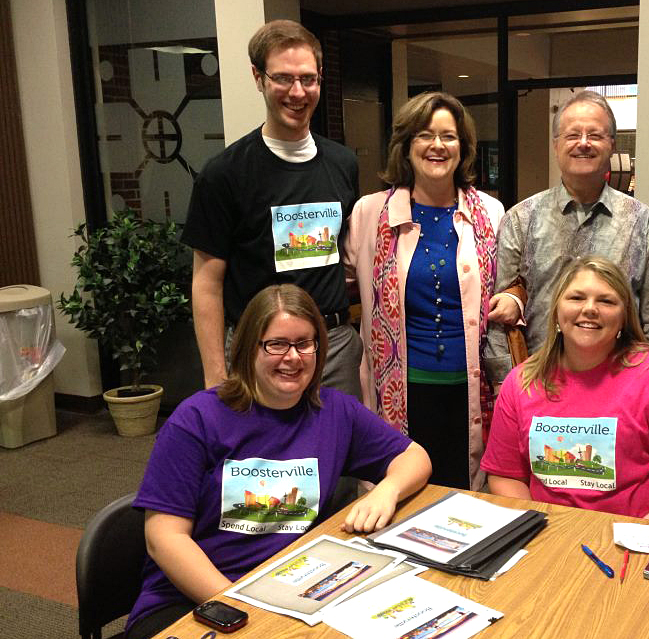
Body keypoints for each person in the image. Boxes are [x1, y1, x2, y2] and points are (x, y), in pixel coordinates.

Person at [124, 284, 430, 639]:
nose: (293, 357)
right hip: (194, 601)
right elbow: (164, 538)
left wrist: (387, 490)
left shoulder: (334, 411)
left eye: (304, 343)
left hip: (292, 592)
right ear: (248, 348)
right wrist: (241, 607)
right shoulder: (197, 418)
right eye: (277, 344)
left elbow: (415, 457)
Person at [182, 20, 362, 398]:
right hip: (259, 350)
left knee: (338, 438)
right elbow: (207, 284)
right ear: (258, 78)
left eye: (308, 79)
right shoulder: (224, 174)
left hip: (333, 347)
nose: (297, 92)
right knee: (259, 439)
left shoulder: (343, 164)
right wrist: (215, 377)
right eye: (283, 78)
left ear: (320, 78)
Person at [481, 257, 649, 526]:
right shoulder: (521, 383)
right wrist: (537, 529)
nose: (590, 309)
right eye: (576, 298)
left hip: (646, 534)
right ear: (557, 311)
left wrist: (634, 535)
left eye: (606, 301)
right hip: (552, 536)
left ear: (623, 318)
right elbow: (506, 475)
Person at [343, 92, 504, 491]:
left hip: (472, 390)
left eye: (448, 136)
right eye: (425, 135)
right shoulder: (369, 214)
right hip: (402, 391)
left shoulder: (491, 212)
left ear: (462, 147)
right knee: (404, 495)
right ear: (406, 144)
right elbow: (341, 283)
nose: (437, 145)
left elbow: (510, 285)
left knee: (468, 498)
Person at [484, 90, 649, 389]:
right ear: (556, 144)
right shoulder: (521, 219)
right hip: (540, 384)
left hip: (622, 388)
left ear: (612, 144)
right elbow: (500, 319)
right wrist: (508, 387)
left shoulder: (643, 224)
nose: (584, 143)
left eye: (595, 135)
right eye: (573, 134)